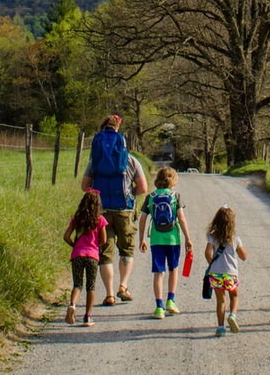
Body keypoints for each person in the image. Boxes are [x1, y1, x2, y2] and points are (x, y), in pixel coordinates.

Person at [81, 114, 147, 306]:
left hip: (101, 211)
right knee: (126, 250)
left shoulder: (95, 160)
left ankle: (109, 294)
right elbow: (142, 188)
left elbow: (85, 186)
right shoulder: (131, 161)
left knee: (105, 252)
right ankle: (123, 286)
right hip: (124, 209)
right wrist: (131, 193)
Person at [137, 166, 194, 318]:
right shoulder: (176, 196)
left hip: (156, 240)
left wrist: (141, 239)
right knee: (173, 269)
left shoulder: (151, 197)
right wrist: (188, 238)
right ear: (173, 182)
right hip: (173, 239)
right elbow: (181, 218)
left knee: (158, 273)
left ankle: (159, 307)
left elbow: (142, 219)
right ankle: (171, 300)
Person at [62, 189, 107, 327]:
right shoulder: (100, 220)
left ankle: (72, 305)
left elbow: (66, 236)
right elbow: (104, 240)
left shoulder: (77, 218)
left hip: (77, 255)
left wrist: (74, 245)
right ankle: (88, 316)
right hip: (92, 256)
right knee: (90, 287)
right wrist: (94, 245)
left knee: (77, 284)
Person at [204, 204, 247, 337]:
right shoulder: (235, 239)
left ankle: (221, 327)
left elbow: (207, 252)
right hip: (230, 273)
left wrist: (212, 263)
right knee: (234, 296)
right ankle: (233, 315)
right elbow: (243, 256)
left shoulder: (212, 237)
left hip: (216, 273)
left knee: (221, 300)